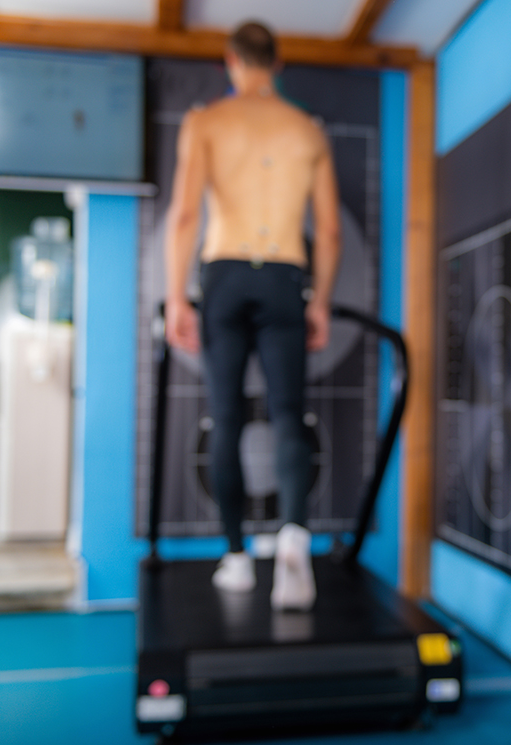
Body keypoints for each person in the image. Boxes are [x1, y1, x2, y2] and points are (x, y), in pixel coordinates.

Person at [164, 21, 341, 610]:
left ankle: (237, 558)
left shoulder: (206, 122)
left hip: (225, 275)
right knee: (290, 414)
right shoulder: (307, 131)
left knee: (227, 417)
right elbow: (332, 231)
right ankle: (292, 535)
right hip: (285, 274)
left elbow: (186, 214)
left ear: (231, 61)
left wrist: (174, 296)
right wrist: (319, 301)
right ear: (278, 63)